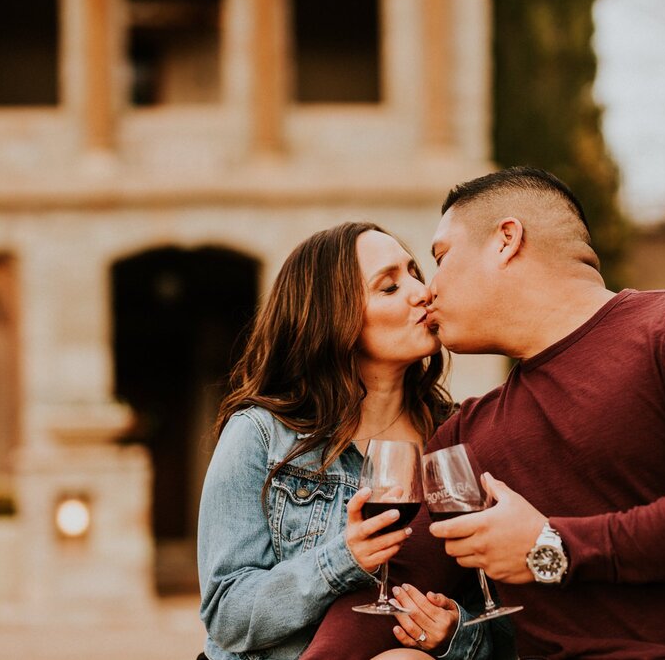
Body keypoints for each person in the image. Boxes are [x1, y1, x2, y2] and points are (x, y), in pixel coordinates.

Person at [301, 167, 665, 659]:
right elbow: (386, 598)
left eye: (441, 257)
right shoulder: (463, 437)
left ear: (505, 240)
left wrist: (551, 548)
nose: (427, 291)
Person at [197, 222, 499, 660]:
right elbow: (226, 615)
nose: (422, 291)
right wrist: (342, 560)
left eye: (416, 273)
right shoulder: (262, 433)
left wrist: (454, 633)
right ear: (334, 317)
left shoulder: (452, 436)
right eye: (391, 286)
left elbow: (501, 617)